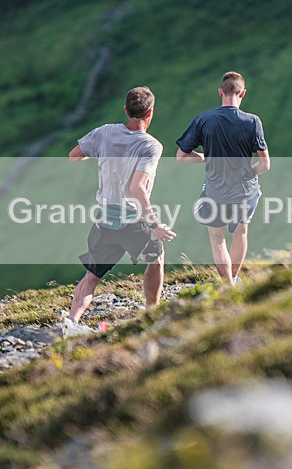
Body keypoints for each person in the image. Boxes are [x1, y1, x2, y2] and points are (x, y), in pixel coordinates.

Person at [64, 86, 176, 334]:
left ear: (126, 110)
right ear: (150, 112)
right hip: (132, 219)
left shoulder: (104, 133)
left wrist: (105, 160)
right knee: (156, 258)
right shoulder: (151, 146)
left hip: (104, 217)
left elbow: (74, 156)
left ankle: (71, 322)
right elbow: (137, 188)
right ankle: (152, 314)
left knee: (92, 276)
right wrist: (155, 224)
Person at [176, 71, 271, 285]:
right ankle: (234, 279)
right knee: (241, 233)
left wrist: (204, 157)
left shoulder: (204, 119)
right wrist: (246, 175)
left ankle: (226, 285)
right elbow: (265, 165)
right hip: (245, 190)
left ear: (220, 92)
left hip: (215, 189)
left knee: (217, 240)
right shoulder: (253, 121)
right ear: (242, 93)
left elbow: (181, 156)